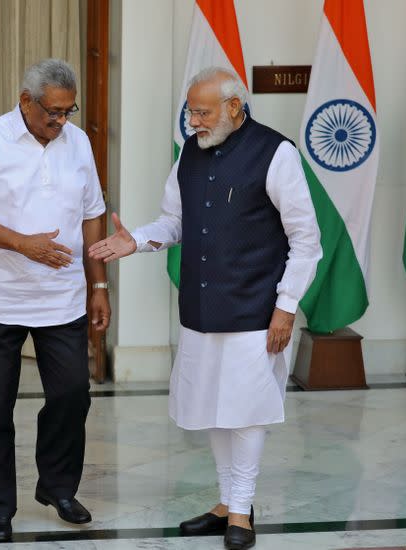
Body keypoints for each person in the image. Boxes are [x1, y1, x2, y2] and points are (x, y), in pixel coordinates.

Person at [89, 67, 322, 550]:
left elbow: (307, 240)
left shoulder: (276, 154)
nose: (193, 120)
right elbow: (175, 221)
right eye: (190, 111)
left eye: (202, 111)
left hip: (256, 311)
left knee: (247, 411)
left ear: (234, 107)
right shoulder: (189, 156)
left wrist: (286, 306)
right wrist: (138, 241)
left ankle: (242, 510)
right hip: (200, 307)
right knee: (213, 409)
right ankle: (225, 502)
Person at [0, 58, 110, 544]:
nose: (61, 122)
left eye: (68, 111)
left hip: (64, 299)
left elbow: (93, 215)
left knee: (73, 394)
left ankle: (57, 487)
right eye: (52, 112)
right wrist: (22, 243)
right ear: (25, 102)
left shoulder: (78, 143)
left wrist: (98, 285)